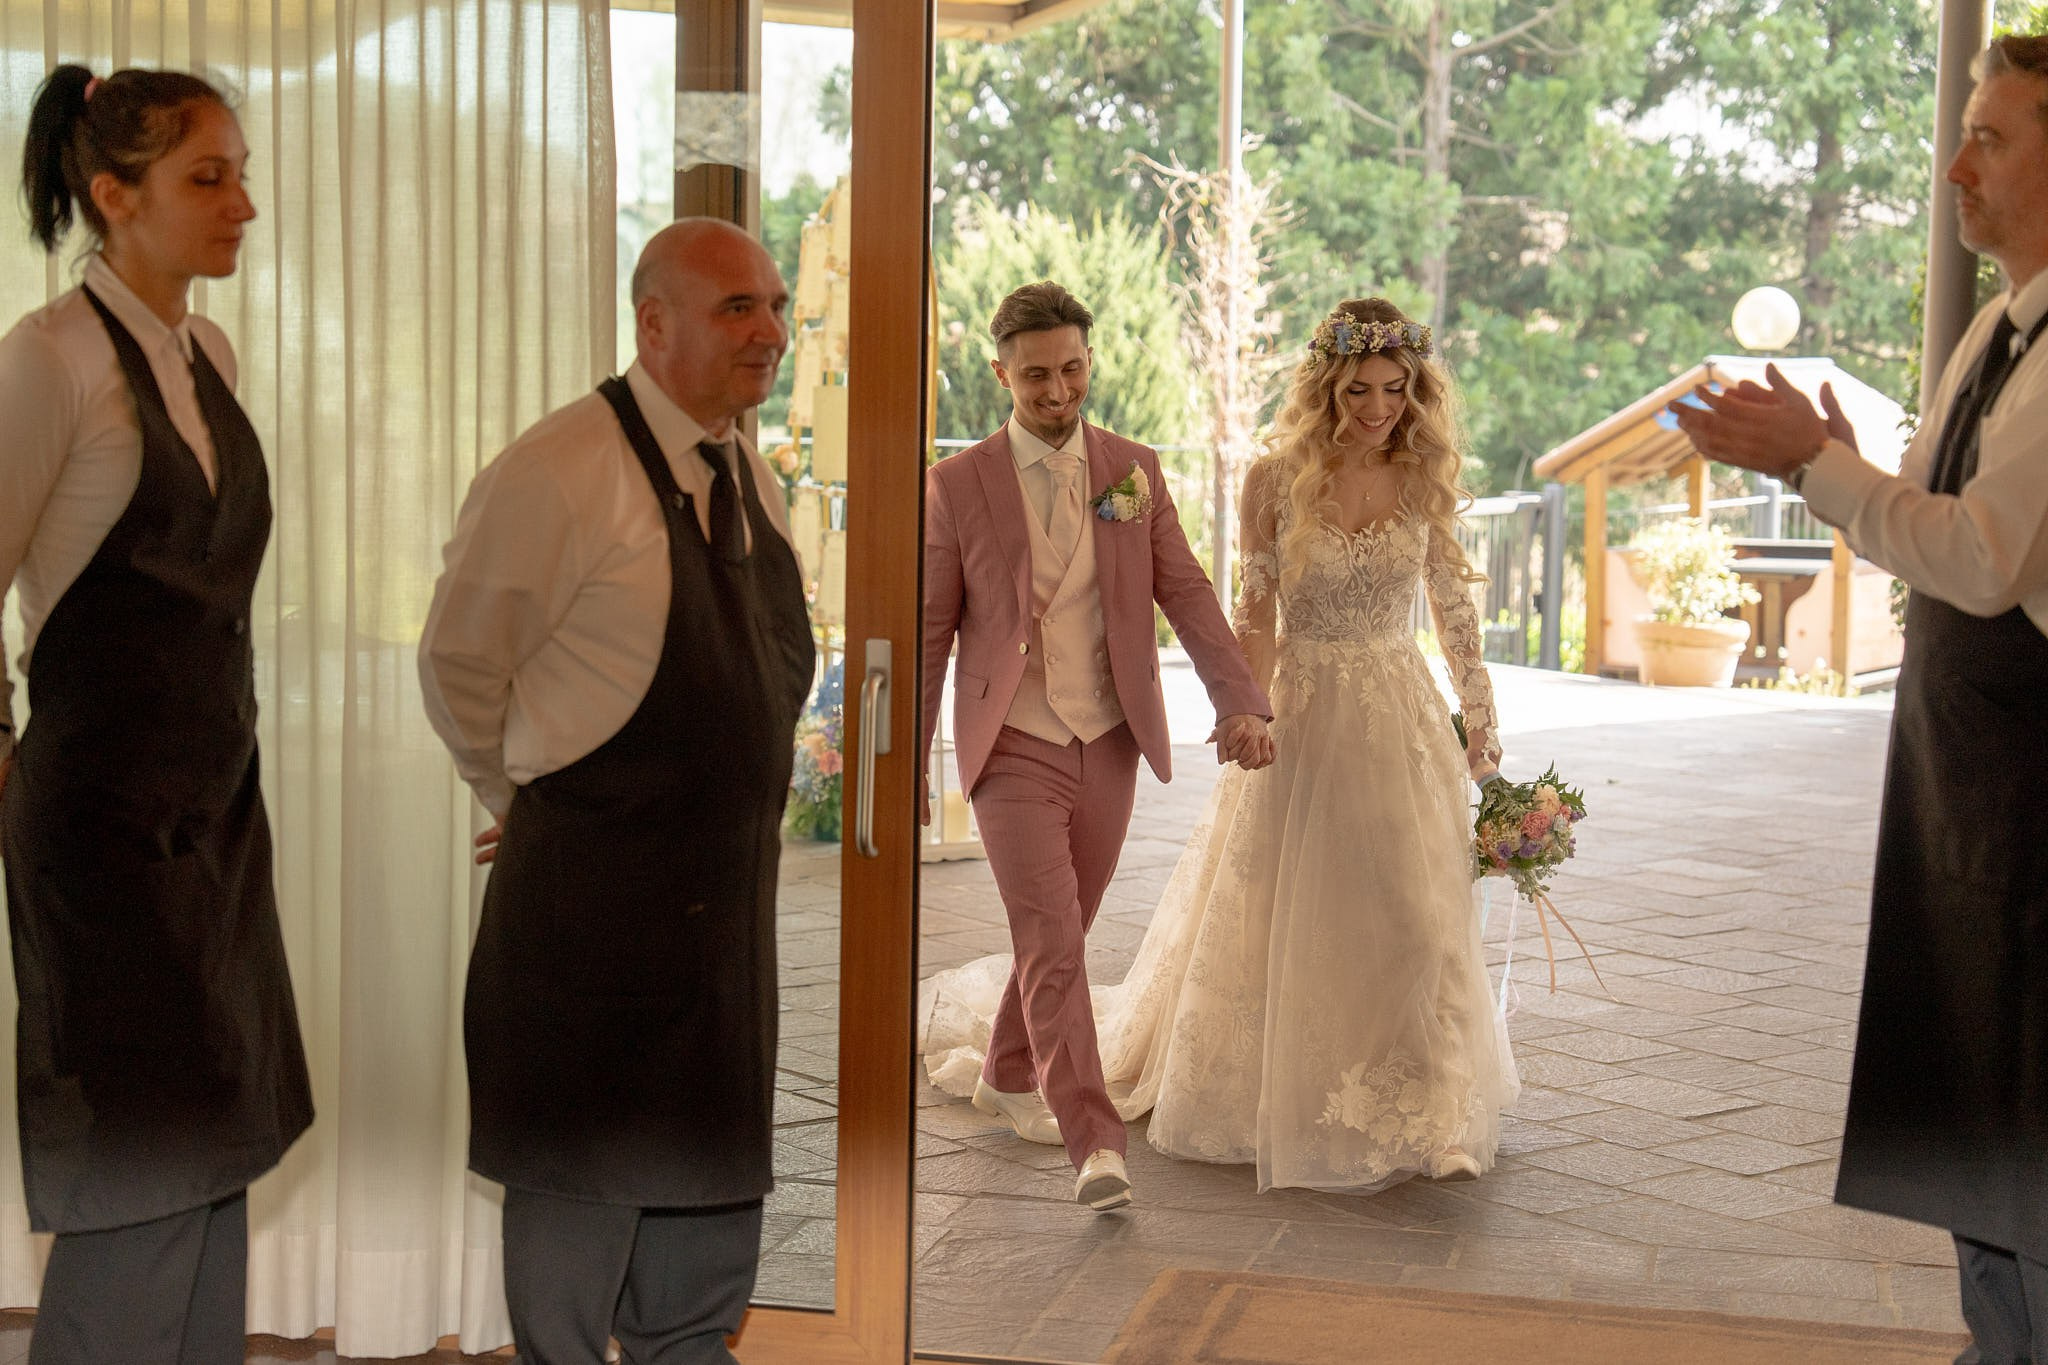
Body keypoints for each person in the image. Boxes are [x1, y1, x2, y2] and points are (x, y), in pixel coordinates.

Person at [927, 298, 1518, 1192]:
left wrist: (1479, 713)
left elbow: (1444, 604)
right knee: (1177, 923)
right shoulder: (1270, 480)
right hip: (1278, 719)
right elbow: (1250, 613)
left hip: (1394, 715)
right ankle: (1093, 1139)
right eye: (1360, 388)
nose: (1379, 406)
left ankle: (1429, 1106)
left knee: (1418, 910)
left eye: (1396, 389)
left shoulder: (1143, 471)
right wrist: (1255, 708)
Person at [1669, 35, 2048, 1365]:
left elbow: (1983, 560)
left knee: (2028, 1099)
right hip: (1963, 781)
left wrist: (1816, 463)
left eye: (1991, 138)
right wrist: (1826, 454)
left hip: (2034, 792)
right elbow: (1938, 510)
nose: (1957, 165)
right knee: (1964, 1084)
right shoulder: (2003, 330)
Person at [418, 219, 813, 1362]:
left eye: (775, 306)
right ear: (653, 324)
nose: (771, 332)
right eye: (739, 308)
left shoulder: (743, 470)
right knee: (577, 1233)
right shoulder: (557, 470)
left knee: (700, 1264)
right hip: (583, 934)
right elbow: (457, 667)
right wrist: (525, 797)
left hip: (717, 937)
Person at [0, 64, 314, 1363]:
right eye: (208, 177)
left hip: (216, 827)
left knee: (214, 1166)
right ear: (110, 193)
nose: (242, 202)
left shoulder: (210, 355)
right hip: (102, 848)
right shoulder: (47, 361)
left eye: (240, 171)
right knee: (138, 1185)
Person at [918, 281, 1274, 1211]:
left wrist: (1243, 699)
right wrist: (905, 764)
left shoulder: (1133, 472)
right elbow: (928, 632)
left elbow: (1188, 594)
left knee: (1061, 933)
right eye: (1036, 374)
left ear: (1089, 362)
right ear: (999, 372)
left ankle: (1003, 1070)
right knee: (1050, 936)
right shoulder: (956, 486)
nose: (1058, 389)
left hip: (1109, 739)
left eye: (1072, 368)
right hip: (1012, 744)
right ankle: (1094, 1138)